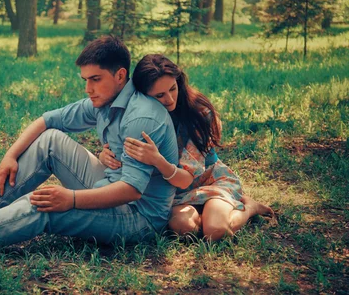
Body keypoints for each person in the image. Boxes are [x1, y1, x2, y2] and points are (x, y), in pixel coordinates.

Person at [0, 36, 180, 254]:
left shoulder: (141, 116)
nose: (88, 88)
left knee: (43, 203)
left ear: (120, 76)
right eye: (85, 79)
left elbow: (132, 190)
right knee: (50, 140)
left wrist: (71, 199)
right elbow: (47, 121)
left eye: (95, 79)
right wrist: (9, 157)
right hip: (106, 184)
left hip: (136, 217)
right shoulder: (106, 98)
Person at [99, 54, 274, 241]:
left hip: (209, 182)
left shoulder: (200, 112)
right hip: (173, 194)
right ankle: (204, 216)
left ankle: (249, 208)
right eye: (159, 95)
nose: (169, 99)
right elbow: (126, 157)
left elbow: (185, 179)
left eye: (172, 89)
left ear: (178, 82)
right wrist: (104, 156)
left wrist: (156, 160)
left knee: (215, 232)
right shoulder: (140, 116)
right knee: (182, 227)